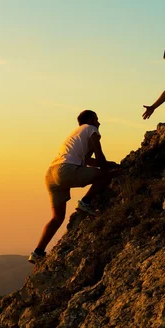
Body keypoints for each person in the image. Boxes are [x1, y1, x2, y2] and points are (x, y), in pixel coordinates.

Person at [28, 110, 118, 264]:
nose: (99, 123)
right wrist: (110, 170)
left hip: (51, 174)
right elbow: (99, 154)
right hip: (65, 171)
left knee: (57, 217)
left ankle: (38, 252)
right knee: (106, 175)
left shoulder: (76, 134)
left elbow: (88, 161)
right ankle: (86, 202)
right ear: (90, 119)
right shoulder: (91, 129)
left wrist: (108, 164)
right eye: (97, 119)